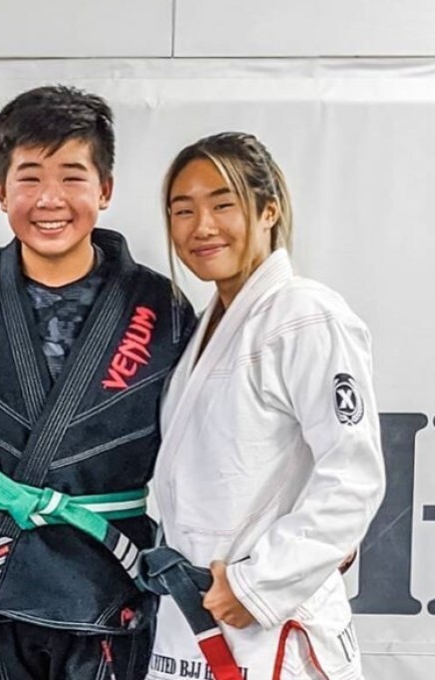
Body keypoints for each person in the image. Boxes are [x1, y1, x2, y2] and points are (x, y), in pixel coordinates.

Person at [0, 85, 195, 680]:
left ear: (105, 189)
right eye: (29, 178)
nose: (50, 199)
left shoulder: (161, 309)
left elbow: (219, 441)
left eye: (73, 177)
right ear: (1, 192)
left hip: (107, 578)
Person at [147, 132, 385, 680]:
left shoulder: (305, 315)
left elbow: (352, 478)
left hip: (268, 621)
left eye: (222, 204)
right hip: (200, 613)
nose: (201, 227)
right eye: (183, 211)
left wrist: (258, 584)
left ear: (269, 209)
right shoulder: (205, 327)